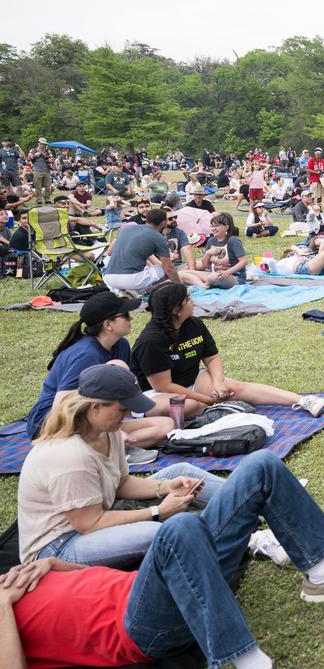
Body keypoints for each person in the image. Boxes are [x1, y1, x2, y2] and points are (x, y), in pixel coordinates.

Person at [3, 448, 324, 669]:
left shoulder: (17, 579)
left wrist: (53, 565)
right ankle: (251, 662)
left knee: (261, 466)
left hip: (157, 584)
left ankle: (322, 576)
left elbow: (88, 581)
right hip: (142, 627)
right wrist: (4, 607)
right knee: (179, 530)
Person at [17, 363, 223, 569]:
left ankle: (243, 503)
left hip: (93, 518)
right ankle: (224, 537)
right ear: (95, 407)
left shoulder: (108, 431)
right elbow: (90, 523)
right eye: (122, 409)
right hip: (59, 546)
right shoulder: (71, 455)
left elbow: (121, 483)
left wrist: (166, 486)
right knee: (158, 532)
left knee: (181, 471)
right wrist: (158, 511)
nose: (126, 415)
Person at [131, 283, 324, 419]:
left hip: (191, 381)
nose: (193, 302)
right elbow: (165, 386)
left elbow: (212, 356)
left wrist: (217, 383)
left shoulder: (193, 324)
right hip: (153, 394)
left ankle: (302, 400)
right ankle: (213, 409)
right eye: (188, 299)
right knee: (189, 405)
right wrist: (206, 398)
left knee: (235, 387)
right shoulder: (152, 341)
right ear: (176, 309)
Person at [24, 292, 173, 453]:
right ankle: (110, 447)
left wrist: (115, 426)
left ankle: (110, 447)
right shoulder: (85, 355)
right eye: (126, 315)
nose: (131, 319)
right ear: (108, 324)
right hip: (53, 424)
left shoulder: (120, 345)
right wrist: (114, 431)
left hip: (98, 417)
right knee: (117, 366)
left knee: (167, 425)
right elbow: (62, 407)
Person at [102, 208, 181, 293]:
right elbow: (168, 268)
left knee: (144, 272)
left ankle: (131, 292)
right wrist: (180, 286)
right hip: (131, 280)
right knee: (164, 268)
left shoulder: (126, 229)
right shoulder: (158, 237)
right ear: (163, 223)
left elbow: (110, 251)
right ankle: (153, 291)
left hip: (108, 278)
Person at [195, 212, 250, 288]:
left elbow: (244, 261)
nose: (213, 228)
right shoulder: (211, 241)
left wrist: (228, 272)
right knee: (182, 274)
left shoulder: (233, 241)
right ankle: (203, 285)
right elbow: (204, 265)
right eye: (212, 226)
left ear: (226, 227)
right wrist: (207, 253)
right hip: (214, 274)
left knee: (212, 277)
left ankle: (207, 282)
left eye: (217, 226)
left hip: (234, 277)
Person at [27, 138, 54, 205]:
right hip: (37, 170)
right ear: (38, 143)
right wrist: (37, 154)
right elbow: (29, 158)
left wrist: (46, 156)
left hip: (47, 170)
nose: (42, 145)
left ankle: (47, 199)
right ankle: (39, 200)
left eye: (44, 144)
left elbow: (52, 160)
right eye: (41, 144)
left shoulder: (48, 151)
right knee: (37, 186)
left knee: (48, 186)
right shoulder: (33, 150)